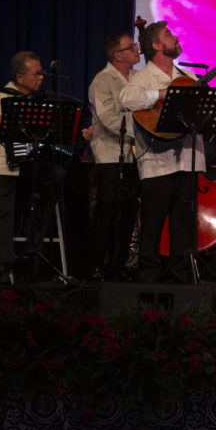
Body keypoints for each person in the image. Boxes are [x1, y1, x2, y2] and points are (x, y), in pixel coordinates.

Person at [119, 21, 216, 283]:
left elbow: (208, 113)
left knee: (184, 223)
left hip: (188, 160)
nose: (175, 37)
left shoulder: (187, 78)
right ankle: (148, 274)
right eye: (168, 35)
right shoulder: (143, 77)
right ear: (157, 46)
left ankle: (180, 275)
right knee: (153, 222)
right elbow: (126, 99)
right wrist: (164, 95)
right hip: (157, 162)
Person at [0, 52, 90, 287]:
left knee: (53, 192)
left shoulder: (40, 102)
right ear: (20, 77)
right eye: (37, 73)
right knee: (2, 214)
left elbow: (56, 137)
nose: (42, 77)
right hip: (4, 166)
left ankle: (36, 260)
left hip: (34, 167)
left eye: (42, 72)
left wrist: (77, 135)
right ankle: (3, 269)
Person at [86, 31, 143, 280]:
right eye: (131, 47)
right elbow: (108, 118)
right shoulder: (102, 81)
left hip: (135, 156)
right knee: (107, 211)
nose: (136, 49)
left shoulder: (140, 78)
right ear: (118, 55)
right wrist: (142, 127)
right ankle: (98, 264)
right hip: (110, 155)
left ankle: (118, 266)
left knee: (128, 212)